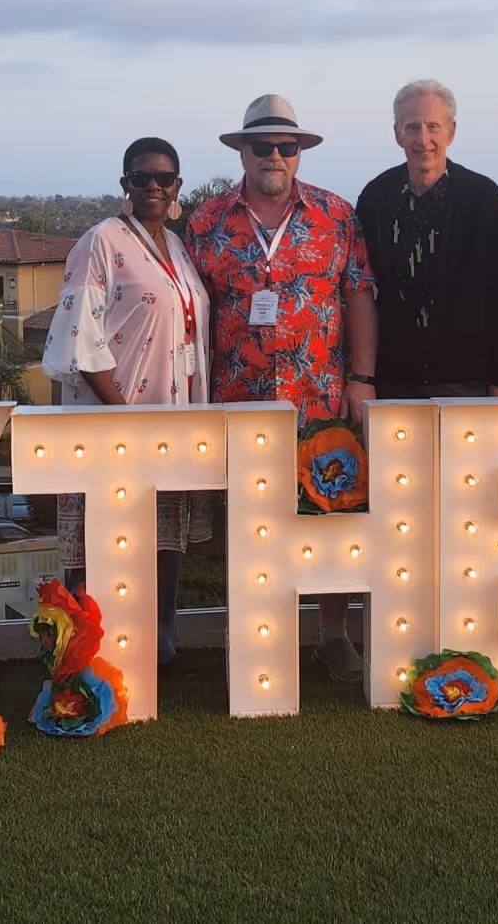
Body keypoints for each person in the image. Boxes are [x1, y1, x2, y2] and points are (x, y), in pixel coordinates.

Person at [187, 94, 377, 681]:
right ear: (241, 151)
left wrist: (363, 377)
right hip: (237, 401)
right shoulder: (205, 221)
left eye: (285, 146)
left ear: (299, 154)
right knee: (244, 522)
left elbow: (359, 295)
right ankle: (251, 636)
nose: (273, 154)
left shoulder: (337, 215)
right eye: (261, 145)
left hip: (320, 395)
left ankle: (331, 634)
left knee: (333, 513)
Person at [42, 137, 214, 665]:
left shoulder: (179, 248)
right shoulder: (101, 242)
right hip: (116, 425)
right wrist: (126, 420)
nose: (154, 187)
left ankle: (157, 649)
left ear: (179, 187)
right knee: (102, 544)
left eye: (165, 178)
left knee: (162, 542)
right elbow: (81, 340)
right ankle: (83, 660)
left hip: (170, 424)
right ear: (125, 185)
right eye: (142, 178)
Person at [355, 79, 498, 399]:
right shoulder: (376, 198)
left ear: (452, 131)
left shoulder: (482, 197)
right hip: (394, 380)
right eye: (412, 127)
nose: (423, 139)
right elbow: (361, 288)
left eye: (433, 126)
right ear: (396, 134)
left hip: (469, 380)